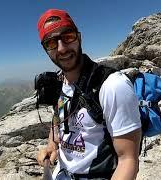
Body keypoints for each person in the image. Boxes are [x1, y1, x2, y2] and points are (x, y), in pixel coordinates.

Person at [36, 9, 142, 180]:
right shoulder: (58, 83)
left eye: (68, 37)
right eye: (51, 43)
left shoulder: (113, 86)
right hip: (61, 174)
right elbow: (59, 121)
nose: (61, 48)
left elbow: (128, 160)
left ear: (79, 37)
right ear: (46, 49)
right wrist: (51, 146)